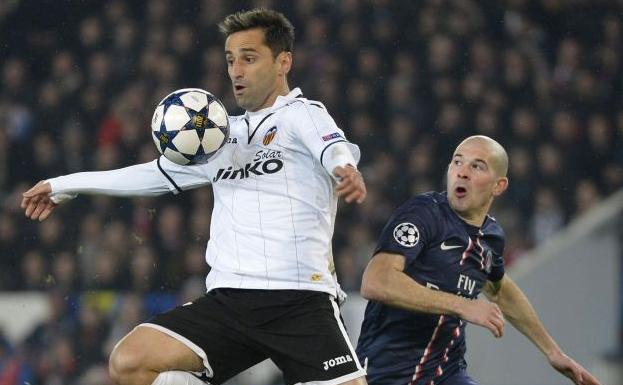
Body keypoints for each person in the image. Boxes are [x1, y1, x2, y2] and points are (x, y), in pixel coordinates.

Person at [21, 9, 368, 385]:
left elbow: (331, 146)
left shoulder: (303, 114)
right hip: (230, 302)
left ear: (283, 61)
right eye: (230, 60)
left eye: (249, 59)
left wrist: (344, 169)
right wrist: (63, 184)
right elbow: (149, 174)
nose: (236, 71)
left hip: (298, 301)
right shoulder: (218, 136)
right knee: (130, 360)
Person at [355, 135, 601, 385]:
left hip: (446, 373)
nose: (462, 172)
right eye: (457, 162)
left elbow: (499, 290)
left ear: (499, 185)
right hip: (385, 373)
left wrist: (553, 352)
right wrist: (463, 305)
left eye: (477, 166)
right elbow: (376, 281)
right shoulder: (423, 213)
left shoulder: (491, 237)